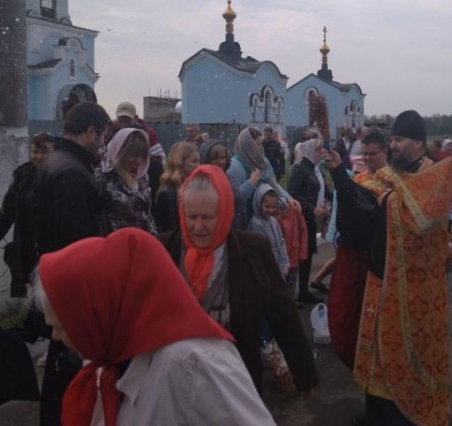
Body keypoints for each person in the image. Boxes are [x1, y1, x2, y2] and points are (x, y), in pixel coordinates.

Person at [33, 227, 275, 425]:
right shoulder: (110, 360)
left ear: (97, 316)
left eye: (63, 326)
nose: (55, 336)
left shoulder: (191, 364)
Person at [324, 110, 452, 426]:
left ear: (418, 143)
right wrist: (341, 175)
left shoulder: (433, 175)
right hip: (379, 273)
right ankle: (377, 415)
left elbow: (422, 221)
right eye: (392, 139)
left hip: (411, 283)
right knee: (379, 352)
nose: (392, 145)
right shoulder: (386, 175)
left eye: (398, 140)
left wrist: (389, 201)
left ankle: (406, 415)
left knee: (407, 352)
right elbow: (362, 204)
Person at [158, 165, 318, 395]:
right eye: (191, 216)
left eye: (208, 217)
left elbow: (282, 312)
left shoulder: (253, 250)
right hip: (176, 386)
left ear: (224, 213)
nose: (198, 226)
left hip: (237, 381)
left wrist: (304, 374)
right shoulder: (163, 250)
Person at [31, 101, 112, 426]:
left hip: (57, 280)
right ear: (90, 131)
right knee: (69, 372)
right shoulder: (72, 173)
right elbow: (79, 243)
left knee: (59, 368)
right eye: (101, 135)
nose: (103, 143)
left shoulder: (56, 162)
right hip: (72, 290)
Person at [0, 132, 55, 298]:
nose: (39, 157)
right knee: (33, 296)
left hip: (51, 249)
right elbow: (6, 213)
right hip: (26, 248)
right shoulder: (23, 175)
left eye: (45, 152)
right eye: (35, 152)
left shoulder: (61, 176)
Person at [288, 138, 332, 304]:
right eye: (319, 150)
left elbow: (325, 191)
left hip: (310, 220)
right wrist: (312, 207)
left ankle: (304, 291)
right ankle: (292, 294)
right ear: (311, 151)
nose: (322, 153)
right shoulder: (298, 169)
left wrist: (340, 196)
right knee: (296, 255)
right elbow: (293, 194)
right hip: (300, 219)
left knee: (307, 255)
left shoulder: (315, 170)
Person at [227, 128, 298, 229]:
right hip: (243, 224)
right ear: (248, 145)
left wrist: (288, 198)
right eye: (258, 144)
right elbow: (233, 199)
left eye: (262, 143)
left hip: (263, 222)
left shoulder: (262, 162)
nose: (261, 147)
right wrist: (251, 182)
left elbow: (273, 184)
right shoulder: (234, 166)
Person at [96, 128, 157, 235]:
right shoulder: (103, 177)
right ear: (120, 152)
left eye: (142, 156)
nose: (138, 160)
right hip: (118, 244)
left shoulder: (141, 176)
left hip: (144, 241)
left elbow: (148, 214)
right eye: (133, 155)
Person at [153, 142, 199, 232]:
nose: (198, 165)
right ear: (180, 163)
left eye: (198, 161)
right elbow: (169, 230)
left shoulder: (192, 186)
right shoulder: (167, 193)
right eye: (194, 161)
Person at [248, 185, 289, 279]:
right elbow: (259, 251)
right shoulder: (256, 224)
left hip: (278, 266)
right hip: (265, 269)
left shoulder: (273, 221)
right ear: (259, 204)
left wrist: (285, 262)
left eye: (274, 207)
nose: (271, 210)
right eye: (267, 206)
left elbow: (281, 242)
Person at [276, 195, 309, 300]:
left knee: (291, 285)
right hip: (279, 260)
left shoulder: (295, 210)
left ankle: (291, 306)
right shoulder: (272, 215)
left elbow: (303, 232)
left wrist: (302, 253)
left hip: (293, 257)